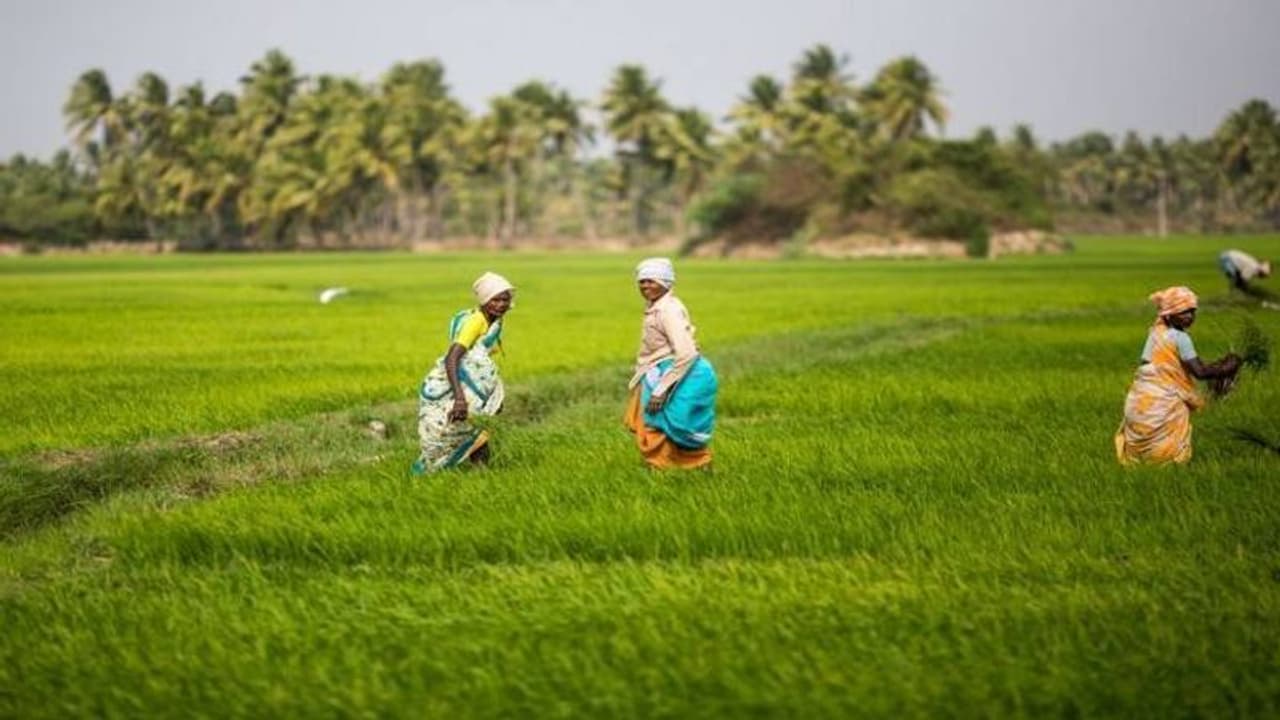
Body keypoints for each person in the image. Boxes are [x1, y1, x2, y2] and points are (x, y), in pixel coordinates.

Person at [1114, 286, 1240, 465]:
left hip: (1140, 398)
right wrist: (1228, 367)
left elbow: (1149, 365)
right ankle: (1167, 463)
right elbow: (1200, 372)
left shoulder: (1155, 333)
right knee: (1168, 453)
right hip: (1165, 397)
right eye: (1183, 312)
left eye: (1192, 312)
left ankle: (1143, 462)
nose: (1189, 316)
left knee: (1142, 450)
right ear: (1169, 313)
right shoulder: (1181, 338)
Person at [412, 272, 514, 474]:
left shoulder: (490, 319)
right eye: (495, 299)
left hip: (472, 382)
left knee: (478, 430)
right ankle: (429, 473)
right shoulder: (475, 322)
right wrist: (460, 399)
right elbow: (453, 357)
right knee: (449, 431)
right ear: (485, 300)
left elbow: (477, 353)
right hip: (457, 384)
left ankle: (481, 474)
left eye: (505, 299)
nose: (501, 304)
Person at [623, 257, 718, 470]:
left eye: (652, 281)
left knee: (663, 425)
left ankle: (666, 468)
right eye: (642, 281)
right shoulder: (657, 307)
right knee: (660, 424)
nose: (646, 286)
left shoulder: (668, 311)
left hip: (677, 374)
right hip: (666, 371)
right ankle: (674, 468)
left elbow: (686, 353)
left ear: (666, 282)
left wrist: (662, 389)